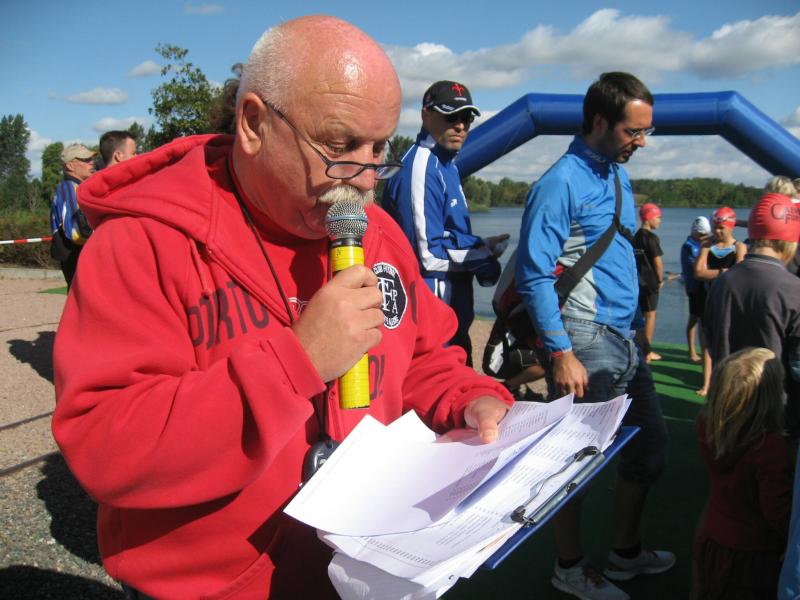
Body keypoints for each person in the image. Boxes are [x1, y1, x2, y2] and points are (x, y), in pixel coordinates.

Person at [51, 16, 513, 599]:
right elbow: (106, 447)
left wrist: (466, 397)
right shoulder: (142, 243)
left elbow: (422, 357)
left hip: (367, 575)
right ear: (253, 124)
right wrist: (297, 361)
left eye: (379, 150)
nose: (364, 182)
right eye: (339, 147)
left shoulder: (378, 234)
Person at [515, 72, 673, 600]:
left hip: (623, 339)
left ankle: (625, 554)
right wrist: (560, 351)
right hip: (583, 339)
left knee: (650, 448)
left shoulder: (617, 173)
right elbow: (534, 274)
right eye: (634, 131)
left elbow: (621, 252)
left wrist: (639, 331)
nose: (642, 142)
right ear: (600, 122)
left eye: (647, 131)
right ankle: (569, 566)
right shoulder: (560, 182)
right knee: (576, 461)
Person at [382, 80, 508, 366]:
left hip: (453, 317)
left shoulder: (446, 164)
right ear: (426, 115)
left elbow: (444, 235)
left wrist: (481, 244)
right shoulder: (421, 166)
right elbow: (426, 256)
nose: (460, 126)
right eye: (451, 116)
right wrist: (482, 257)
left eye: (466, 118)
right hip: (432, 323)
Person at [693, 347, 792, 599]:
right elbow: (777, 511)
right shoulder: (770, 448)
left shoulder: (707, 427)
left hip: (714, 539)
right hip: (755, 555)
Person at [704, 192, 800, 434]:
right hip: (775, 420)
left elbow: (710, 341)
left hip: (725, 413)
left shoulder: (722, 283)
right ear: (790, 242)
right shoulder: (794, 290)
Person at [693, 206, 747, 396]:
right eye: (715, 227)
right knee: (707, 343)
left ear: (731, 226)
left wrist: (714, 274)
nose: (717, 231)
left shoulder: (739, 247)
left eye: (721, 228)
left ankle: (730, 382)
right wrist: (724, 272)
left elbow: (739, 275)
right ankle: (707, 383)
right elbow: (698, 272)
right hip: (708, 299)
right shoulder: (707, 245)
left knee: (731, 342)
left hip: (729, 301)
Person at [49, 142, 96, 288]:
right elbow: (75, 232)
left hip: (78, 256)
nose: (91, 163)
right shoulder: (69, 188)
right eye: (85, 160)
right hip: (77, 257)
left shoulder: (77, 188)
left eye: (91, 159)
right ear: (70, 166)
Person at [633, 203, 664, 362]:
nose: (659, 221)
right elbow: (658, 263)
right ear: (649, 218)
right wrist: (660, 280)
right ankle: (647, 352)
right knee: (650, 316)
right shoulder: (651, 238)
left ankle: (636, 347)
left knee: (637, 317)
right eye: (658, 217)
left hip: (636, 282)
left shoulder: (635, 237)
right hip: (650, 283)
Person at [681, 216, 711, 363]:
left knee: (703, 320)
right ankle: (692, 351)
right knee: (694, 318)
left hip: (705, 288)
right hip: (694, 288)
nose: (703, 237)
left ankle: (704, 350)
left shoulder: (704, 244)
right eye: (701, 234)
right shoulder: (688, 246)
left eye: (705, 234)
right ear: (694, 232)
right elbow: (697, 268)